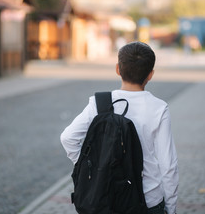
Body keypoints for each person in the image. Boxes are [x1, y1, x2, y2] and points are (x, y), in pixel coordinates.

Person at [60, 41, 179, 214]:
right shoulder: (159, 108)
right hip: (148, 199)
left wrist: (91, 165)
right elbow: (168, 165)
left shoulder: (99, 103)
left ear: (118, 69)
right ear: (150, 74)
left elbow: (68, 138)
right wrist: (171, 207)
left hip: (107, 196)